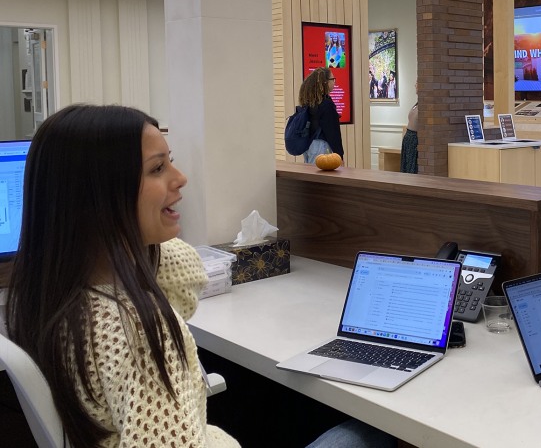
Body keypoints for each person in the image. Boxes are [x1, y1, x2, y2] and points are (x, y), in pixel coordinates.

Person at [5, 104, 393, 448]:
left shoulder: (52, 293)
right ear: (99, 197)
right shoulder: (136, 325)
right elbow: (190, 282)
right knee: (377, 430)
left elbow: (187, 281)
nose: (180, 177)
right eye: (158, 168)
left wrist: (132, 239)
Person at [299, 67, 344, 164]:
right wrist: (339, 155)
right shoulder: (326, 104)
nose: (334, 82)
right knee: (322, 178)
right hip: (321, 146)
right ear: (325, 82)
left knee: (311, 176)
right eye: (332, 79)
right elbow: (333, 132)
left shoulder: (310, 102)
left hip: (309, 145)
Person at [400, 81, 419, 174]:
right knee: (406, 166)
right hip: (408, 138)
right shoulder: (417, 103)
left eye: (417, 83)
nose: (415, 85)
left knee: (412, 167)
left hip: (415, 139)